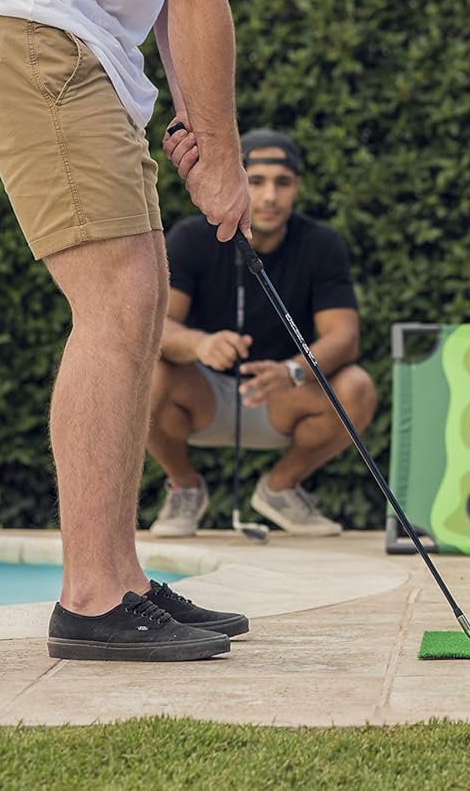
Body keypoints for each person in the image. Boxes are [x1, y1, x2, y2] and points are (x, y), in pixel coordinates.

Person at [0, 0, 269, 661]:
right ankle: (91, 595)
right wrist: (226, 158)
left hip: (75, 50)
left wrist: (201, 133)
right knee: (118, 305)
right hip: (43, 41)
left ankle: (120, 580)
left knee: (131, 307)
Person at [148, 129, 378, 538]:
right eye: (256, 181)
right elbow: (156, 329)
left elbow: (344, 337)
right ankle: (184, 486)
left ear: (297, 187)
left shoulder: (321, 244)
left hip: (281, 393)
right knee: (143, 376)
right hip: (202, 391)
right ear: (236, 179)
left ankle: (280, 488)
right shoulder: (189, 238)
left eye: (282, 183)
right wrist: (201, 344)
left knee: (357, 386)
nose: (270, 196)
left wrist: (293, 370)